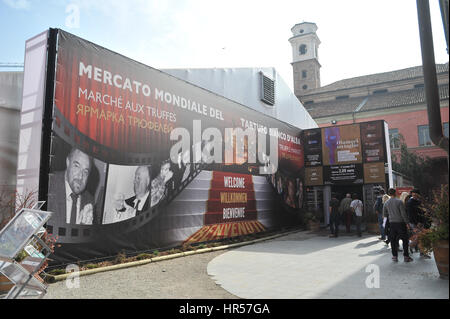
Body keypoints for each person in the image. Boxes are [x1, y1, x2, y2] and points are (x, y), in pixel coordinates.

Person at [48, 147, 96, 225]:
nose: (80, 176)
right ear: (68, 162)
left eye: (85, 171)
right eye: (76, 166)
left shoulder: (89, 201)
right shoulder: (49, 185)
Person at [383, 188, 413, 262]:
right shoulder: (399, 202)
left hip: (392, 224)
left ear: (389, 194)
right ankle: (406, 256)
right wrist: (407, 223)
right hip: (400, 223)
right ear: (395, 193)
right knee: (405, 240)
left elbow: (384, 214)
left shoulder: (386, 203)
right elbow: (403, 214)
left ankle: (394, 256)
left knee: (393, 240)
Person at [406, 189, 431, 258]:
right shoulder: (410, 203)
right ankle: (410, 246)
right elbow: (410, 215)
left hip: (420, 222)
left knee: (420, 237)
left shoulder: (419, 202)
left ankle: (420, 252)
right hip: (414, 223)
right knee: (419, 237)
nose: (415, 196)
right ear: (412, 195)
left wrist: (423, 218)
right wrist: (417, 223)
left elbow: (422, 212)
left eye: (416, 195)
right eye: (413, 195)